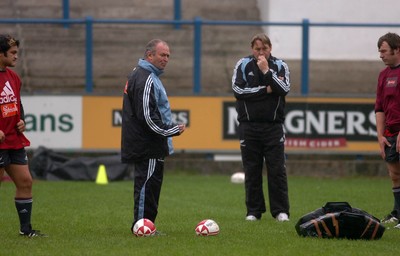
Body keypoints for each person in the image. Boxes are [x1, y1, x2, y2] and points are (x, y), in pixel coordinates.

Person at [121, 39, 185, 234]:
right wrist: (171, 130)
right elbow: (147, 118)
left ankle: (147, 226)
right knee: (146, 187)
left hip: (150, 144)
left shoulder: (145, 75)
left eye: (168, 56)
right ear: (150, 55)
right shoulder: (145, 77)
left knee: (150, 187)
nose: (166, 59)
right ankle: (141, 226)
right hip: (147, 145)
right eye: (162, 55)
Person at [231, 33, 290, 222]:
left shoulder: (280, 65)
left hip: (273, 126)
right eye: (257, 49)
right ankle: (253, 212)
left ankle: (281, 211)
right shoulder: (242, 64)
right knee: (252, 170)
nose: (261, 52)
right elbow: (238, 91)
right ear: (252, 49)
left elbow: (284, 89)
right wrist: (266, 90)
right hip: (249, 126)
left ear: (270, 48)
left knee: (277, 170)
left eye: (264, 49)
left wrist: (267, 72)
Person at [0, 34, 45, 237]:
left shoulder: (14, 77)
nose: (16, 57)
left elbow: (18, 104)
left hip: (14, 140)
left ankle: (25, 230)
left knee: (26, 181)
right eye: (13, 53)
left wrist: (22, 120)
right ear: (1, 54)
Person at [375, 32, 400, 228]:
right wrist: (380, 136)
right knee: (394, 173)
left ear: (397, 49)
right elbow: (380, 107)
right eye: (379, 52)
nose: (380, 55)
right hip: (390, 133)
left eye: (384, 51)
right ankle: (398, 213)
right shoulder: (383, 75)